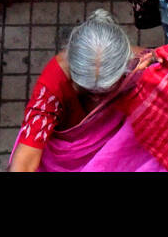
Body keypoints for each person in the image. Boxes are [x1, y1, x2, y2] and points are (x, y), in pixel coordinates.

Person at [9, 10, 159, 172]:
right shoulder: (53, 83)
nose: (96, 100)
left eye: (105, 91)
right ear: (71, 66)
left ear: (125, 68)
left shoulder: (140, 62)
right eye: (87, 91)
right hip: (67, 163)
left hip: (119, 150)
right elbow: (24, 161)